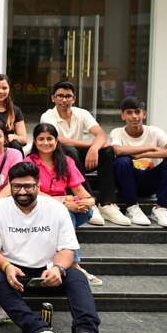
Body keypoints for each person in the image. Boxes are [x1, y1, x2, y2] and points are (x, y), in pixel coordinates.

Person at [0, 162, 110, 333]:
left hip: (49, 269)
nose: (22, 191)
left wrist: (58, 268)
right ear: (10, 185)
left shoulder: (56, 209)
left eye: (28, 186)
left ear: (38, 185)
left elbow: (67, 249)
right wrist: (6, 267)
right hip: (14, 271)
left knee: (76, 275)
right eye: (16, 186)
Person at [0, 123, 101, 286]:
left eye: (50, 139)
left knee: (85, 211)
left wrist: (90, 200)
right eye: (41, 139)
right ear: (35, 141)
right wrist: (64, 204)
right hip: (38, 206)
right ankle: (74, 264)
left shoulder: (66, 161)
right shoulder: (29, 162)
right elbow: (32, 190)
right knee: (66, 214)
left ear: (56, 141)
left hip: (64, 205)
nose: (46, 142)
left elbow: (79, 189)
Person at [40, 81, 119, 226]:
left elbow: (101, 134)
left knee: (107, 151)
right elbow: (60, 140)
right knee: (70, 150)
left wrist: (95, 149)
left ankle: (107, 204)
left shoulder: (82, 113)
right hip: (59, 160)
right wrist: (92, 146)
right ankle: (88, 201)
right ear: (53, 98)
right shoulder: (48, 116)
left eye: (68, 96)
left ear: (74, 99)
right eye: (60, 96)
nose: (64, 100)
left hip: (78, 157)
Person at [110, 97, 167, 228]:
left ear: (144, 114)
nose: (134, 116)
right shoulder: (118, 132)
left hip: (151, 181)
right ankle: (131, 207)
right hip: (129, 180)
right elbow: (118, 150)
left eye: (137, 112)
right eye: (129, 112)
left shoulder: (154, 131)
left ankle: (160, 209)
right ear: (123, 116)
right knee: (122, 161)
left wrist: (142, 155)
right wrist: (151, 147)